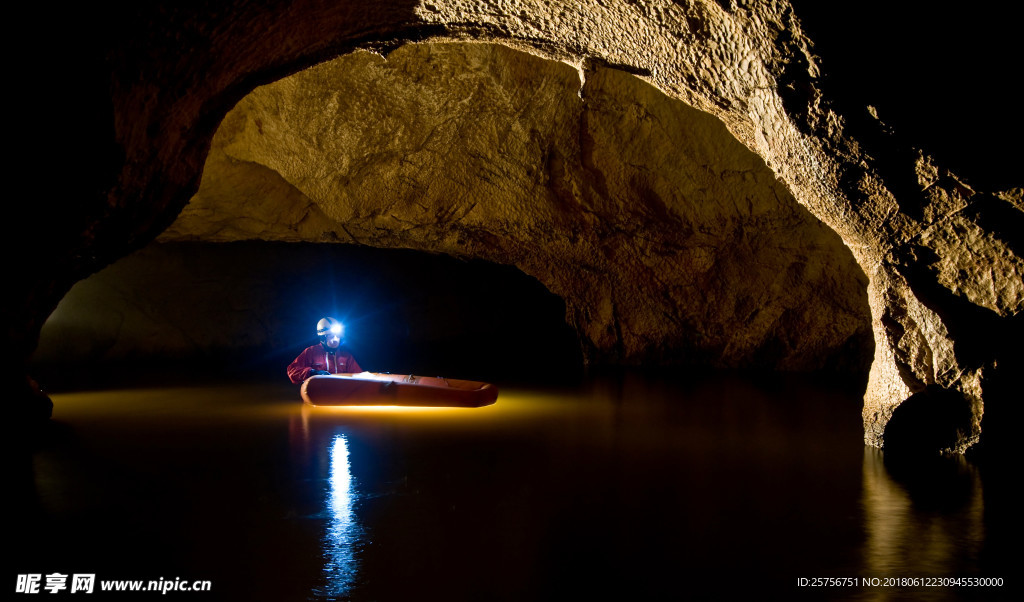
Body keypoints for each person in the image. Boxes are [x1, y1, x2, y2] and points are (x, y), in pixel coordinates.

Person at [287, 317, 362, 384]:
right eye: (331, 336)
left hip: (340, 396)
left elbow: (359, 376)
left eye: (338, 336)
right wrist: (312, 372)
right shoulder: (311, 352)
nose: (335, 339)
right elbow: (292, 370)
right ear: (323, 337)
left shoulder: (346, 356)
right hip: (317, 396)